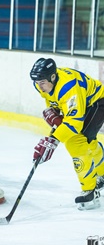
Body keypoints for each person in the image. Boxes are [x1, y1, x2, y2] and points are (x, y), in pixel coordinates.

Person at [30, 58, 104, 210]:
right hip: (82, 104)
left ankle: (91, 191)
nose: (39, 87)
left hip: (97, 102)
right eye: (37, 83)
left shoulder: (68, 88)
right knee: (88, 143)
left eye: (42, 82)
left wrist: (53, 141)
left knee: (76, 142)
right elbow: (51, 99)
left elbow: (75, 122)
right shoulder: (41, 84)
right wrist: (52, 111)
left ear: (52, 77)